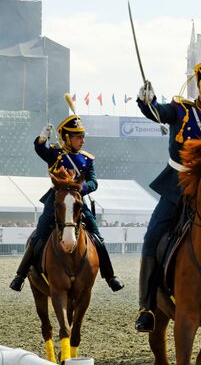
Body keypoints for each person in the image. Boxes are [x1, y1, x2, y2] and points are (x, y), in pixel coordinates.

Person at [133, 36, 201, 332]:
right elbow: (155, 112)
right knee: (153, 236)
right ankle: (146, 307)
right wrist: (146, 99)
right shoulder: (181, 111)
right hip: (178, 185)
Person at [9, 100, 124, 292]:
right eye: (78, 137)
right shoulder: (55, 153)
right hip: (56, 200)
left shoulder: (87, 159)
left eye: (82, 136)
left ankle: (110, 276)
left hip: (78, 202)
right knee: (38, 236)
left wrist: (79, 189)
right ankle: (20, 275)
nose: (82, 140)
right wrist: (42, 138)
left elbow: (94, 182)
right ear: (67, 138)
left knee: (98, 238)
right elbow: (39, 149)